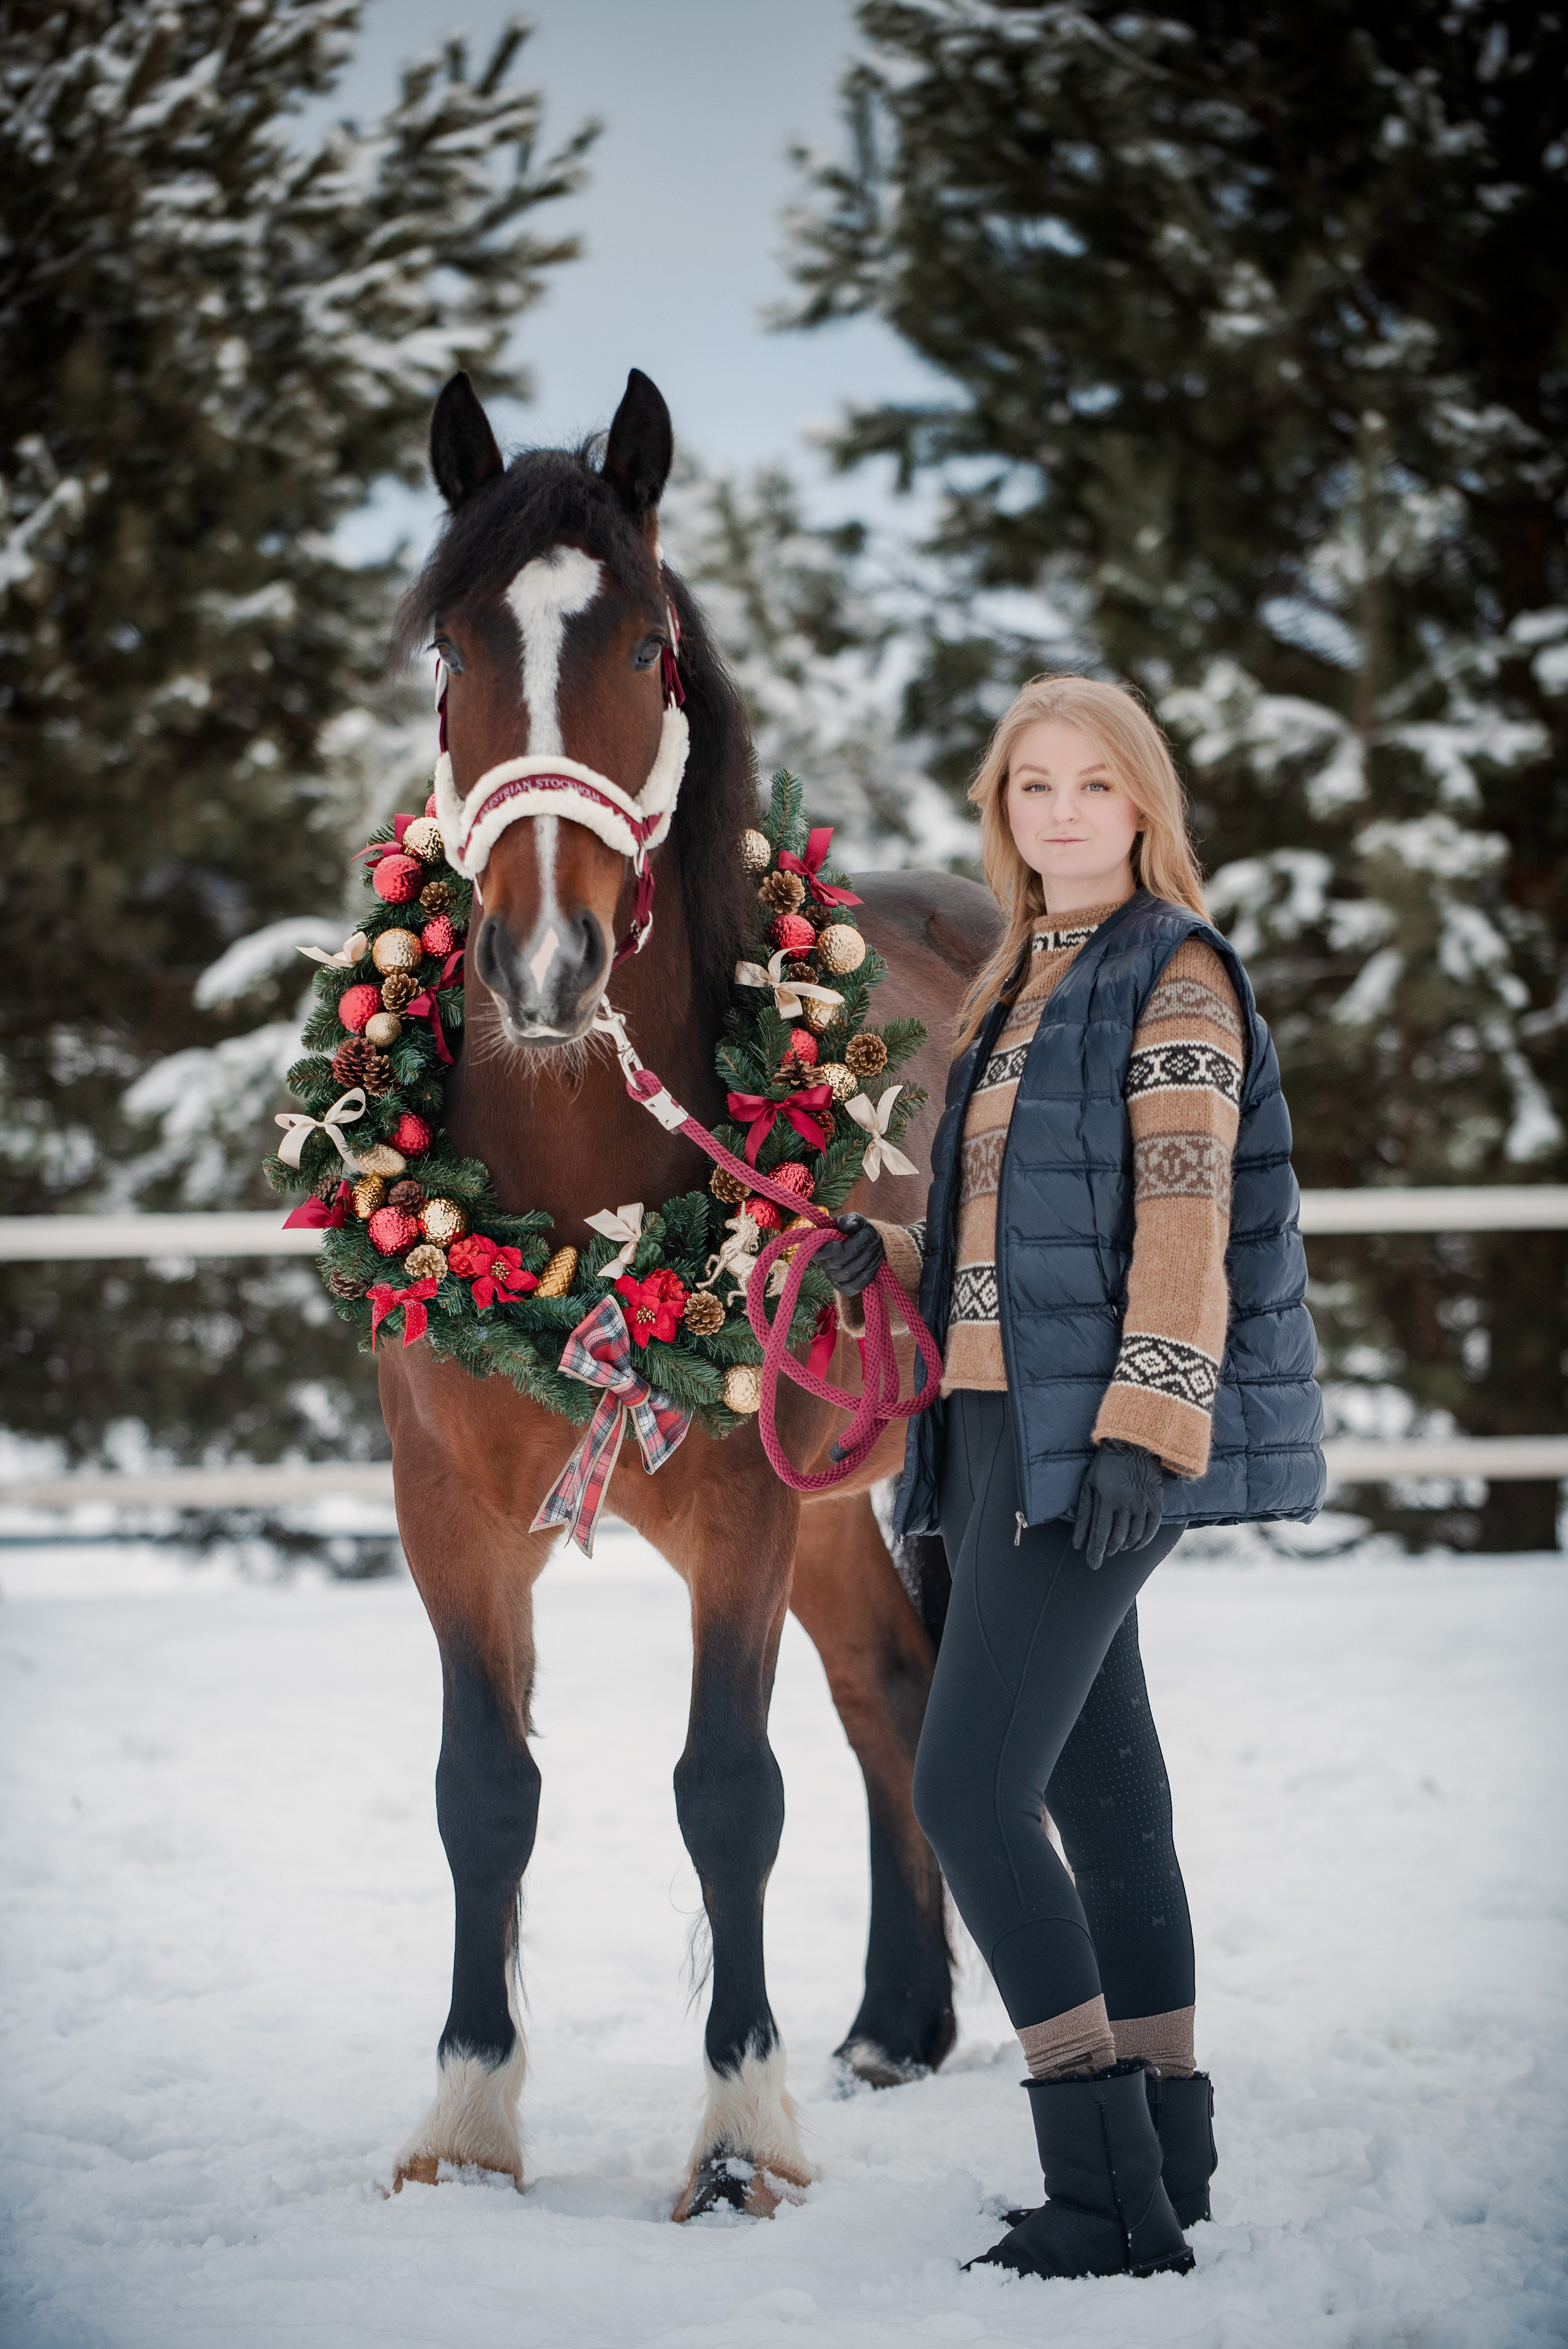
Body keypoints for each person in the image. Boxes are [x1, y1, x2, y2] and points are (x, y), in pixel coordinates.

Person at [819, 675, 1324, 2282]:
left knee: (965, 1789)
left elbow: (1181, 1224)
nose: (1057, 811)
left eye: (1089, 785)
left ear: (1140, 804)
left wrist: (1146, 1426)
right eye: (1029, 784)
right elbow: (996, 1236)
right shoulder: (1021, 982)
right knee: (1107, 1796)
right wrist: (880, 1248)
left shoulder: (1170, 978)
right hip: (982, 1433)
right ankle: (1167, 2149)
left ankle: (1098, 2187)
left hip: (1083, 1444)